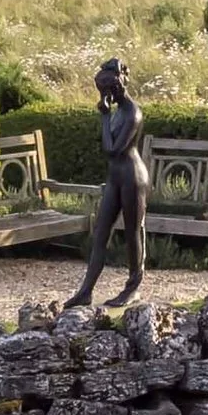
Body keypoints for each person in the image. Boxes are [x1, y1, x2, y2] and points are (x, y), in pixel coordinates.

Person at [65, 57, 148, 308]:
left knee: (133, 233)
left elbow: (112, 149)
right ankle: (86, 290)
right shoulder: (117, 112)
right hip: (115, 178)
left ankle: (133, 287)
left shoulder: (133, 113)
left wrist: (103, 118)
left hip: (133, 179)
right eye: (102, 90)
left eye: (108, 89)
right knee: (101, 232)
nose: (105, 95)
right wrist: (106, 115)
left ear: (119, 85)